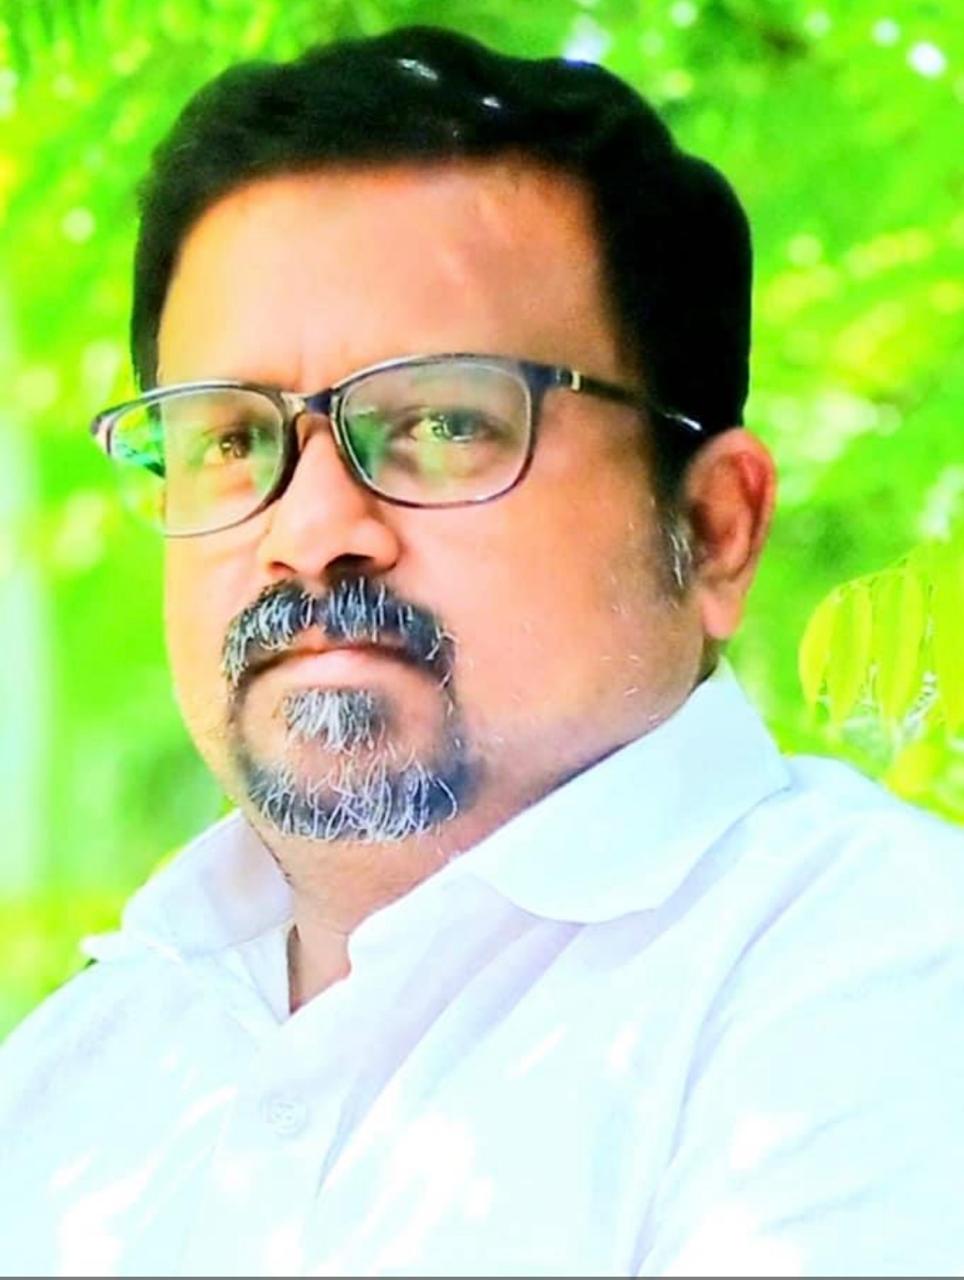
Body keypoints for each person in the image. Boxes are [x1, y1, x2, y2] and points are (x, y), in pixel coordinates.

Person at [2, 24, 963, 1277]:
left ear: (712, 529)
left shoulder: (884, 970)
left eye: (443, 422)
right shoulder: (69, 1078)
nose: (311, 530)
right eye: (231, 440)